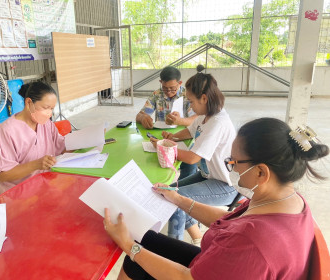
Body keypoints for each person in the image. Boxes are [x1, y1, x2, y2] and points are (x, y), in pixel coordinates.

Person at [104, 117, 329, 279]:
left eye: (234, 162)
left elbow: (187, 278)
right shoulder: (282, 197)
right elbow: (230, 221)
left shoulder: (254, 241)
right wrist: (178, 199)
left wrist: (126, 244)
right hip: (223, 264)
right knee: (147, 240)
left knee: (135, 254)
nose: (229, 165)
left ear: (261, 172)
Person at [151, 65, 237, 243]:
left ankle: (174, 247)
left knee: (175, 198)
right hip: (208, 176)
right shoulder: (205, 115)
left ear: (204, 98)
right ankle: (196, 236)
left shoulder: (217, 122)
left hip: (225, 185)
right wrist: (172, 136)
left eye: (191, 101)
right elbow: (190, 131)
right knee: (170, 190)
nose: (189, 105)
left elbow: (192, 158)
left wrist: (164, 147)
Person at [0, 81, 65, 193]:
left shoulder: (46, 124)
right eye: (46, 107)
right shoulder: (7, 131)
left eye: (52, 109)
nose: (49, 113)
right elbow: (2, 175)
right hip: (21, 192)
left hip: (47, 183)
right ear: (29, 102)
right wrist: (36, 165)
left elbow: (61, 147)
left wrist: (86, 140)